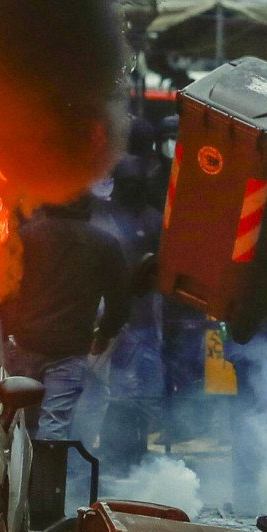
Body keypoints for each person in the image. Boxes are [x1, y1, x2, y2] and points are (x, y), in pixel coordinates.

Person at [0, 196, 130, 441]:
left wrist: (9, 328)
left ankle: (16, 463)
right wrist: (105, 333)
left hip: (26, 344)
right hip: (70, 350)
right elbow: (120, 300)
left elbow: (3, 288)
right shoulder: (104, 244)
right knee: (55, 422)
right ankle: (48, 465)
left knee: (18, 417)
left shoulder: (27, 236)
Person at [90, 157, 164, 475]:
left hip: (144, 318)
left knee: (141, 392)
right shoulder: (104, 218)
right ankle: (113, 454)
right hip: (112, 317)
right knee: (113, 391)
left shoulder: (155, 221)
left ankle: (133, 453)